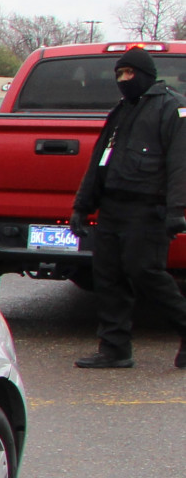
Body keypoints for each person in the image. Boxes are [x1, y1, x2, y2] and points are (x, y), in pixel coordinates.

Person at [70, 47, 186, 370]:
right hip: (112, 209)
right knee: (108, 277)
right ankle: (114, 348)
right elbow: (99, 162)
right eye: (119, 74)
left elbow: (180, 164)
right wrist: (82, 206)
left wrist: (177, 210)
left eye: (129, 74)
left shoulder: (172, 109)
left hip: (148, 209)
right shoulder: (121, 112)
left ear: (146, 75)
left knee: (145, 272)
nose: (124, 80)